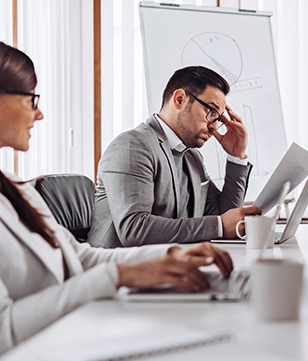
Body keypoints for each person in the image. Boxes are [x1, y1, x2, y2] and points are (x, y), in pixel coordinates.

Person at [0, 36, 235, 361]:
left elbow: (79, 258)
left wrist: (167, 257)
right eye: (31, 99)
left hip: (64, 342)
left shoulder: (12, 187)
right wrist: (118, 277)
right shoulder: (134, 145)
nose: (39, 113)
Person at [88, 66, 260, 247]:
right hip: (122, 269)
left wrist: (236, 156)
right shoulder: (132, 146)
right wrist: (218, 226)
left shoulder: (192, 157)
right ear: (180, 99)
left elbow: (226, 217)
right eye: (212, 112)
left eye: (217, 119)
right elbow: (134, 229)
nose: (214, 127)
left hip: (170, 266)